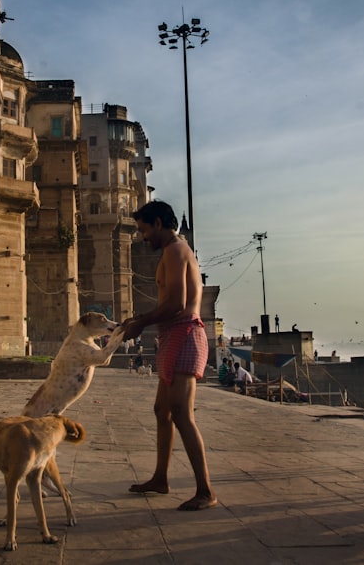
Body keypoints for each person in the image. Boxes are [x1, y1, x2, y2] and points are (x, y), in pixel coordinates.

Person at [119, 200, 217, 511]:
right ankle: (160, 478)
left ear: (158, 223)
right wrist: (138, 321)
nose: (142, 237)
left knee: (181, 413)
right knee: (162, 410)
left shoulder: (176, 251)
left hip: (185, 335)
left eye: (144, 230)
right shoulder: (172, 251)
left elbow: (177, 302)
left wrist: (140, 323)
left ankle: (206, 492)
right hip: (173, 336)